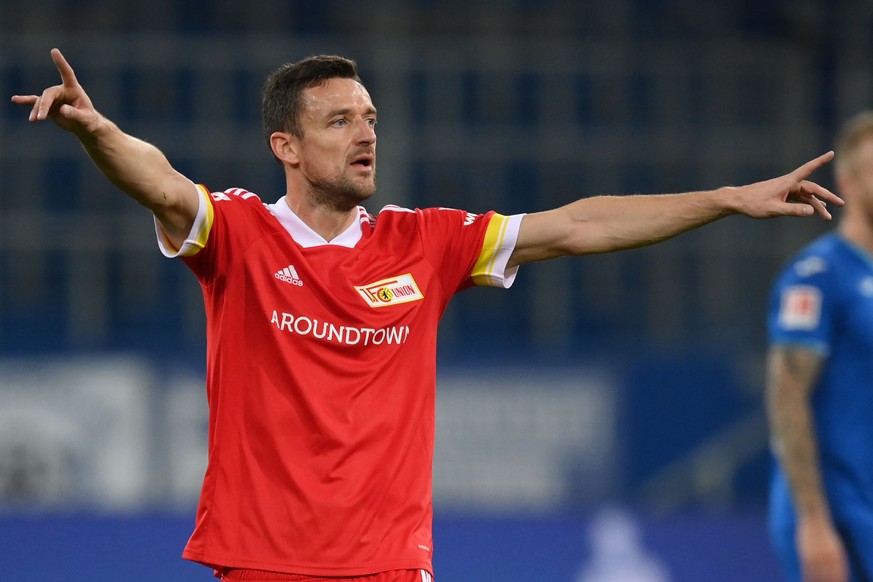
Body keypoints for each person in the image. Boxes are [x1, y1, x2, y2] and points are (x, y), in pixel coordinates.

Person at [12, 48, 840, 582]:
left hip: (391, 567)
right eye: (339, 120)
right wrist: (97, 132)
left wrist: (727, 198)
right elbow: (157, 181)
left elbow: (580, 224)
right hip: (264, 563)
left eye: (371, 117)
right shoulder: (238, 233)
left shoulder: (426, 243)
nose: (365, 132)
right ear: (286, 148)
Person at [767, 112, 873, 582]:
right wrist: (812, 522)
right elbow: (787, 394)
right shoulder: (817, 277)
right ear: (847, 180)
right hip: (839, 511)